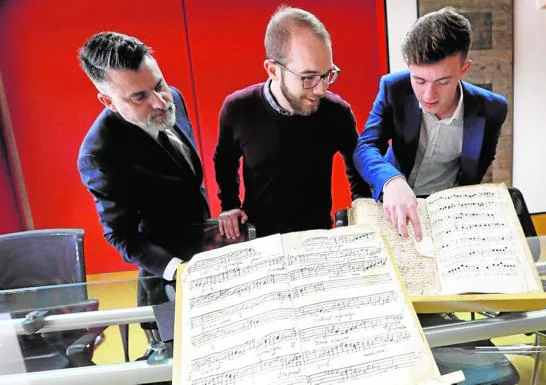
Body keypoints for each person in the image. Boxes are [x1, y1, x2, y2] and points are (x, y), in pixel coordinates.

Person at [77, 32, 210, 306]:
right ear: (109, 102)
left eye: (159, 85)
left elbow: (187, 179)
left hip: (207, 245)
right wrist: (179, 270)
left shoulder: (173, 97)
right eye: (139, 97)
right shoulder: (99, 154)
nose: (161, 102)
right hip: (168, 276)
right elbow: (121, 235)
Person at [214, 6, 370, 238]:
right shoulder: (238, 109)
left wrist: (362, 203)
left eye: (327, 74)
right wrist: (230, 203)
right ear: (273, 70)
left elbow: (358, 163)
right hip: (260, 238)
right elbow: (224, 160)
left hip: (318, 235)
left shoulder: (337, 112)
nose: (321, 89)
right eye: (308, 78)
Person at [353, 7, 508, 241]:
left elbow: (479, 165)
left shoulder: (493, 108)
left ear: (464, 69)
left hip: (447, 211)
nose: (428, 94)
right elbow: (365, 146)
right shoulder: (393, 88)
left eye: (443, 81)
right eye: (419, 80)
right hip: (393, 201)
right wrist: (391, 180)